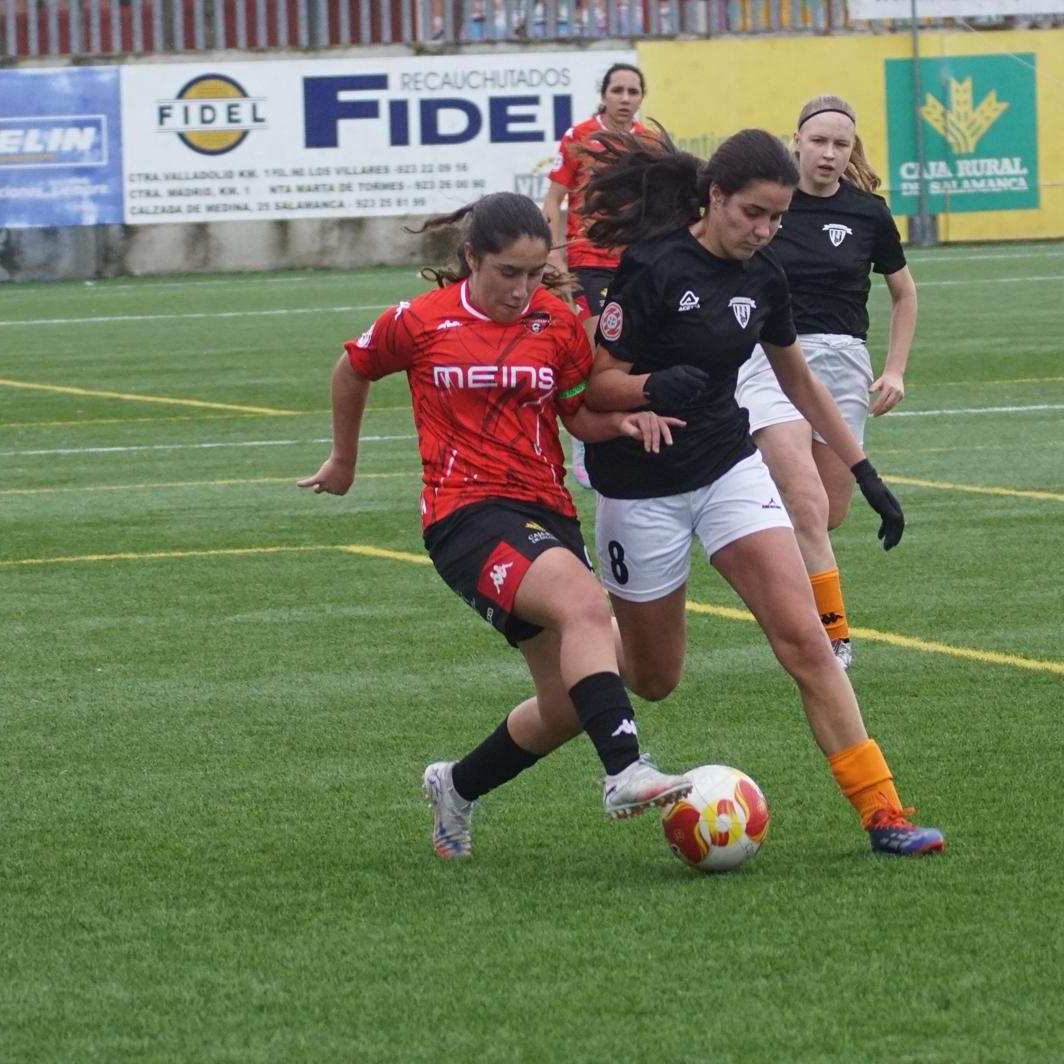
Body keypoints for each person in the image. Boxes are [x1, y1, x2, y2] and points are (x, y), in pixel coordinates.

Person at [577, 127, 944, 855]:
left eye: (776, 217)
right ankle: (580, 666)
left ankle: (885, 813)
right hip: (641, 489)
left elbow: (796, 376)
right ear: (714, 198)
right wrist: (652, 387)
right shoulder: (651, 267)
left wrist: (863, 470)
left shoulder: (763, 275)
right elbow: (595, 384)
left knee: (806, 639)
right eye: (752, 213)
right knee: (655, 678)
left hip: (725, 469)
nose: (765, 230)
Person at [298, 192, 693, 860]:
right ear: (472, 258)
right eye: (508, 273)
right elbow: (352, 368)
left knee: (570, 703)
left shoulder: (559, 324)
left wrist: (621, 422)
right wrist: (344, 458)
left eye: (535, 274)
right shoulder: (420, 322)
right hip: (464, 516)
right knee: (583, 604)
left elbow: (576, 416)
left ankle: (457, 784)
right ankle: (625, 769)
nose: (522, 289)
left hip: (546, 514)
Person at [735, 95, 918, 671]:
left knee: (826, 514)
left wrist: (894, 370)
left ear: (851, 149)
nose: (829, 153)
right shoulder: (771, 208)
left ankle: (738, 521)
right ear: (797, 142)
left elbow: (904, 292)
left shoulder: (869, 213)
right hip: (770, 362)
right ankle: (832, 639)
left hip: (843, 366)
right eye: (819, 141)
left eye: (841, 144)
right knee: (808, 505)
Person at [542, 62, 649, 487]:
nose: (625, 98)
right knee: (591, 350)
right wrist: (555, 258)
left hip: (636, 264)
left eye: (633, 91)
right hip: (587, 260)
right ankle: (584, 440)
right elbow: (552, 201)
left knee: (631, 352)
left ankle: (626, 438)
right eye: (618, 90)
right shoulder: (578, 136)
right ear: (604, 95)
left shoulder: (651, 143)